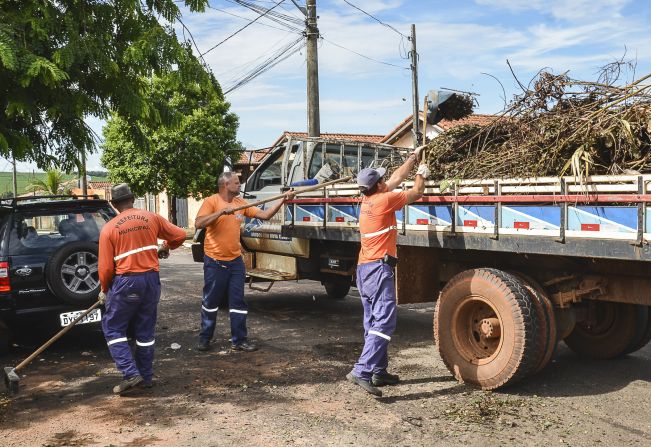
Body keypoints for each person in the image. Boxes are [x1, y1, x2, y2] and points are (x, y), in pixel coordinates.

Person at [346, 148, 429, 397]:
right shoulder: (385, 200)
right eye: (383, 179)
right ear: (379, 185)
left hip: (365, 269)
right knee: (384, 321)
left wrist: (413, 159)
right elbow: (416, 192)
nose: (387, 180)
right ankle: (362, 371)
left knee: (372, 321)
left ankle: (378, 371)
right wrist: (422, 174)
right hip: (378, 269)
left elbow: (395, 179)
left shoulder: (369, 199)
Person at [99, 183, 186, 395]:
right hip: (150, 281)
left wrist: (104, 289)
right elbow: (180, 236)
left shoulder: (109, 228)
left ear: (114, 204)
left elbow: (106, 267)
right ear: (133, 198)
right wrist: (165, 247)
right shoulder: (151, 217)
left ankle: (130, 374)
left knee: (113, 328)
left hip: (127, 282)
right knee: (144, 330)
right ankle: (146, 377)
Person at [195, 172, 294, 352]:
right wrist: (220, 213)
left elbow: (264, 216)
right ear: (225, 185)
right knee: (211, 301)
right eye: (236, 182)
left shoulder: (241, 203)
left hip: (235, 262)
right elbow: (199, 224)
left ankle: (239, 340)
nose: (240, 185)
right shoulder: (212, 201)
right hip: (215, 261)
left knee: (238, 302)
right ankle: (205, 338)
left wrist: (283, 200)